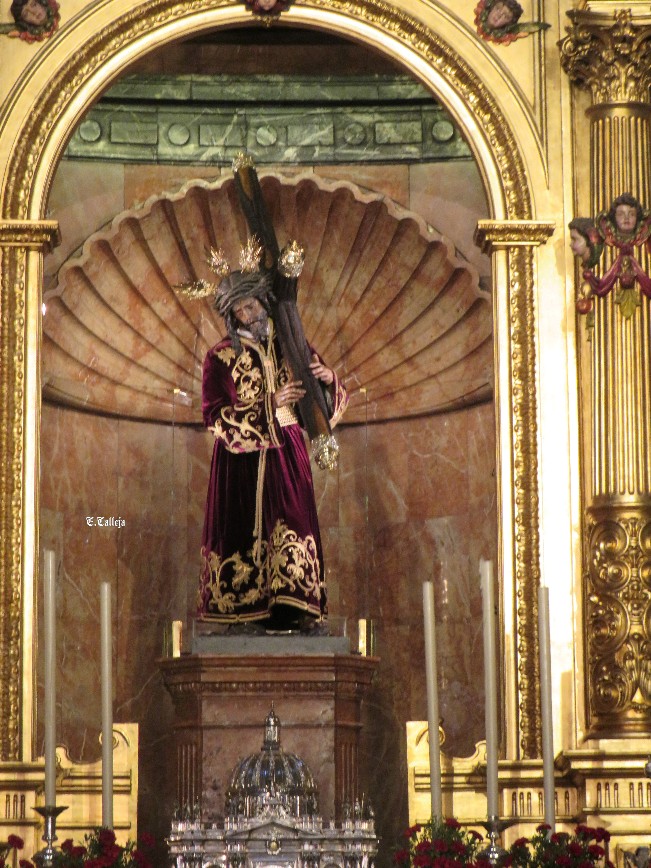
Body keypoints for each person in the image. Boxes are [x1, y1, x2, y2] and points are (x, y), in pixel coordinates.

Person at [198, 260, 348, 631]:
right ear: (232, 315)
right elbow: (214, 417)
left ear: (266, 301)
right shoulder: (219, 357)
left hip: (290, 453)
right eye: (241, 309)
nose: (251, 314)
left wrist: (329, 380)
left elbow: (322, 403)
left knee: (293, 524)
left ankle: (297, 606)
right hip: (243, 464)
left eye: (254, 304)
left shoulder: (292, 344)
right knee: (247, 532)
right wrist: (270, 404)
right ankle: (246, 610)